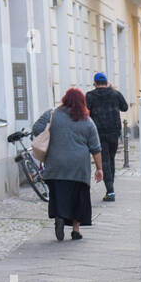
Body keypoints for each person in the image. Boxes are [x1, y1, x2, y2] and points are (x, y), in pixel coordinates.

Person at [32, 89, 103, 241]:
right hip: (79, 167)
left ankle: (60, 216)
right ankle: (76, 230)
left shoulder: (52, 114)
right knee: (78, 197)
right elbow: (96, 148)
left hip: (55, 164)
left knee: (58, 194)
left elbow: (36, 129)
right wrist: (99, 168)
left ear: (65, 99)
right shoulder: (87, 121)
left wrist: (51, 133)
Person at [85, 73, 129, 202]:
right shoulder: (115, 94)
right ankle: (110, 188)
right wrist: (113, 90)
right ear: (107, 82)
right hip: (114, 132)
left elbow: (85, 112)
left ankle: (110, 191)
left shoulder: (90, 96)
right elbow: (125, 107)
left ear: (95, 83)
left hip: (98, 132)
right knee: (111, 159)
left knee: (104, 161)